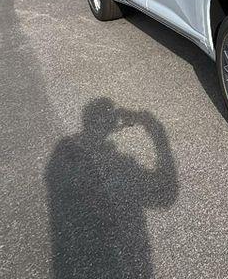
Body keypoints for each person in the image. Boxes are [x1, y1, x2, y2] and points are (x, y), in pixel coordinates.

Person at [45, 98, 176, 279]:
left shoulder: (62, 149)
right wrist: (157, 132)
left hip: (71, 260)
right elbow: (166, 196)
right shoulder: (121, 163)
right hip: (126, 261)